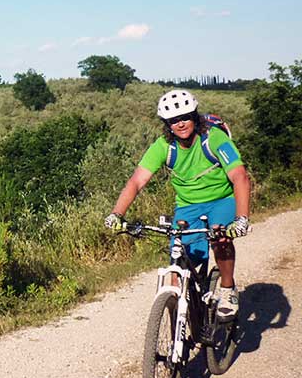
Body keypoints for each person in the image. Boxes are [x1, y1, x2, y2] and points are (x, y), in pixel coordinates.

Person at [104, 89, 250, 320]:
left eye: (184, 117)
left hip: (220, 200)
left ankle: (227, 288)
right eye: (173, 120)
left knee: (220, 237)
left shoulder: (214, 138)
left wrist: (241, 218)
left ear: (194, 116)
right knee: (179, 259)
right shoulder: (164, 146)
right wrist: (116, 214)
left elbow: (239, 176)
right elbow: (137, 181)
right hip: (188, 206)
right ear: (167, 124)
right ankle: (179, 325)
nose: (180, 124)